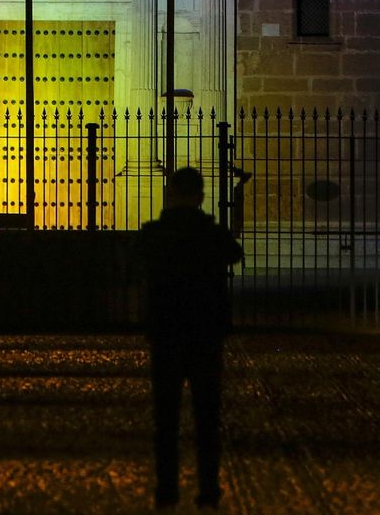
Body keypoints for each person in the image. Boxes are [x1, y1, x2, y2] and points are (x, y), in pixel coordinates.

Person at [139, 166, 244, 509]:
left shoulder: (154, 234)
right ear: (200, 196)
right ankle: (208, 490)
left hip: (166, 332)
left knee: (166, 418)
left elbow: (136, 260)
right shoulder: (211, 234)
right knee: (207, 418)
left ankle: (167, 490)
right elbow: (234, 254)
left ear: (170, 194)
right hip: (205, 333)